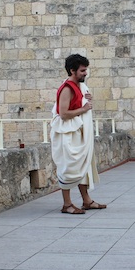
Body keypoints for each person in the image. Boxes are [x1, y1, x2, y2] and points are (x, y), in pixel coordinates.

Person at [50, 54, 106, 214]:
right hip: (68, 135)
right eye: (82, 70)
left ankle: (86, 200)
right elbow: (63, 114)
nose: (85, 73)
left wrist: (85, 99)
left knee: (83, 165)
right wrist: (84, 108)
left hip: (77, 133)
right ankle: (67, 204)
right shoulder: (67, 89)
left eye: (86, 70)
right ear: (72, 70)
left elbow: (81, 100)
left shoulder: (78, 87)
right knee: (69, 167)